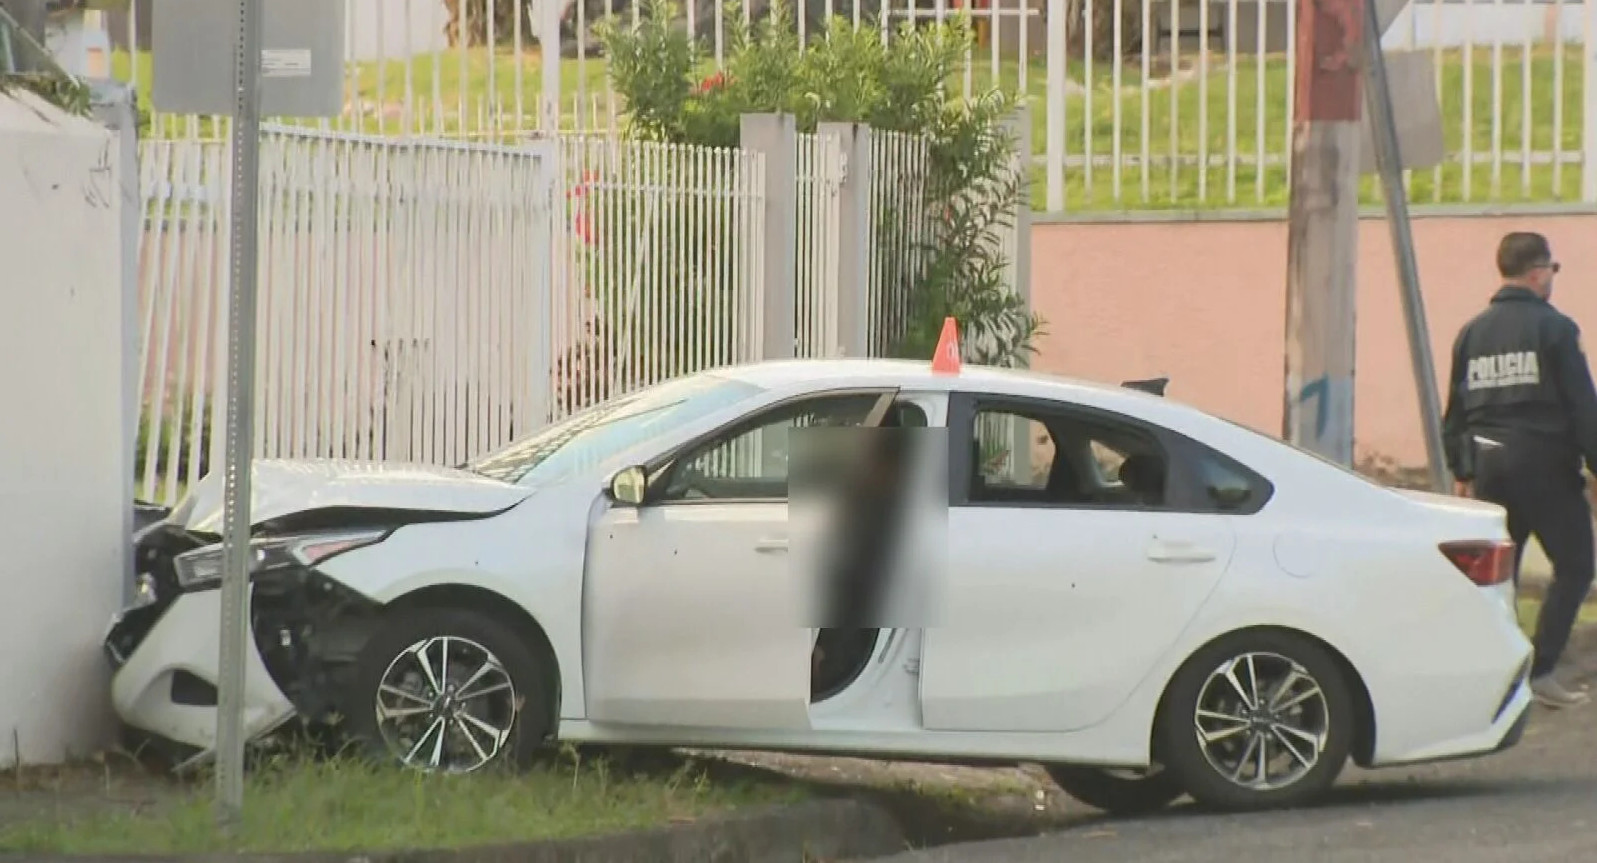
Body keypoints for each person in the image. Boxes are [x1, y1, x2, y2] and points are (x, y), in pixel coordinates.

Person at [1442, 231, 1597, 709]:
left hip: (1490, 469)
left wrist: (1462, 470)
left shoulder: (1472, 332)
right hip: (1545, 468)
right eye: (1552, 270)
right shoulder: (1554, 329)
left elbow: (1456, 413)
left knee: (1498, 578)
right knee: (1575, 566)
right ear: (1538, 272)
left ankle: (1499, 675)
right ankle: (1542, 669)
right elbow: (1582, 406)